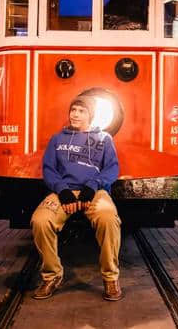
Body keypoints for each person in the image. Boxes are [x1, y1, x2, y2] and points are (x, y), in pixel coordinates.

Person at [31, 95, 122, 301]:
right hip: (64, 192)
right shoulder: (57, 139)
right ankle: (51, 276)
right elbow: (49, 169)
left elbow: (112, 168)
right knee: (40, 220)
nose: (75, 114)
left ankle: (110, 277)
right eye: (73, 110)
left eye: (81, 111)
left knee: (108, 218)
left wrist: (92, 186)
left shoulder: (104, 139)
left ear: (90, 115)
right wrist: (62, 191)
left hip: (95, 192)